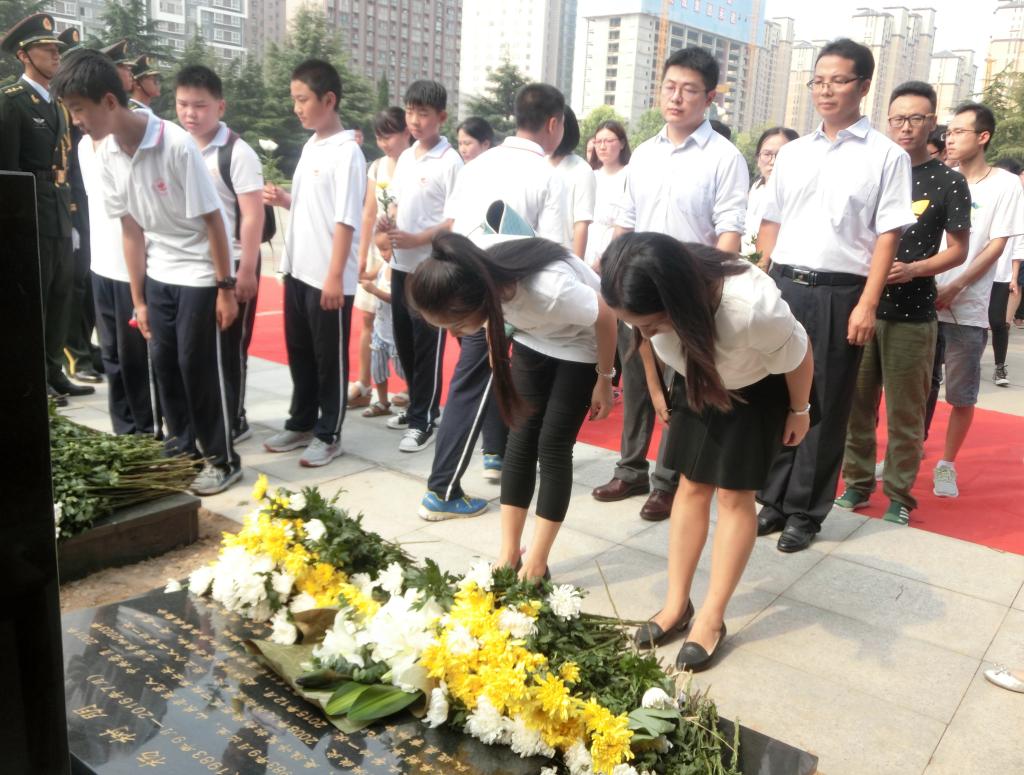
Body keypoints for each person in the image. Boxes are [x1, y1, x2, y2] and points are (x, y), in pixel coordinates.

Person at [602, 233, 812, 671]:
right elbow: (644, 340)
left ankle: (712, 620)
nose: (643, 331)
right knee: (690, 486)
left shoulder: (751, 310)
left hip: (758, 386)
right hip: (699, 376)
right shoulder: (637, 285)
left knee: (734, 496)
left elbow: (799, 355)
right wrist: (658, 390)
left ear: (678, 302)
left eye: (653, 322)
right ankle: (677, 606)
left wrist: (799, 410)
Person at [53, 49, 241, 494]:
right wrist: (139, 300)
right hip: (159, 272)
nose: (76, 120)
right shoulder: (105, 154)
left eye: (79, 109)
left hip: (198, 271)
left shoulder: (173, 144)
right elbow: (131, 230)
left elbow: (214, 220)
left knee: (198, 367)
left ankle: (222, 457)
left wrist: (225, 287)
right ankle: (182, 448)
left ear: (110, 102)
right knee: (165, 368)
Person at [754, 38, 915, 552]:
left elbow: (889, 235)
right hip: (784, 288)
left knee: (823, 404)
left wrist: (868, 303)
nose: (825, 89)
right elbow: (772, 220)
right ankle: (772, 498)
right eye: (819, 80)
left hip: (840, 293)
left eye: (838, 80)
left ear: (864, 86)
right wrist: (763, 276)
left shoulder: (886, 157)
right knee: (777, 394)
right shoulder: (795, 152)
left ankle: (805, 509)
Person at [591, 46, 749, 523]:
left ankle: (667, 480)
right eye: (670, 87)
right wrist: (612, 276)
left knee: (681, 389)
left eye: (690, 90)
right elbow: (628, 219)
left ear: (710, 97)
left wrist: (710, 296)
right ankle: (630, 467)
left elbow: (729, 232)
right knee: (636, 381)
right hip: (637, 288)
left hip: (686, 294)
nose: (677, 98)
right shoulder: (644, 153)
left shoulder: (724, 157)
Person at [408, 232, 616, 581]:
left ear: (476, 301)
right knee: (519, 439)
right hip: (533, 337)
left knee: (552, 446)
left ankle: (536, 561)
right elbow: (495, 319)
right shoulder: (469, 272)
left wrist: (605, 378)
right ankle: (509, 553)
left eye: (456, 325)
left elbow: (606, 316)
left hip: (583, 345)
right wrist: (495, 350)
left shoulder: (549, 291)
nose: (456, 335)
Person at [418, 82, 568, 521]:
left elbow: (454, 228)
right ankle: (442, 489)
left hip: (462, 290)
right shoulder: (547, 176)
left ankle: (494, 457)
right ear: (554, 123)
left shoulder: (478, 165)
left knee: (475, 384)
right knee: (475, 386)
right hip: (503, 300)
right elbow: (553, 250)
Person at [837, 82, 970, 526]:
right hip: (861, 308)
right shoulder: (867, 168)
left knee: (905, 412)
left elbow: (958, 250)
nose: (906, 127)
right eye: (898, 118)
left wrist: (914, 269)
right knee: (856, 405)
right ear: (886, 120)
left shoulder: (948, 180)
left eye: (917, 118)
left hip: (913, 315)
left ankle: (898, 494)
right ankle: (856, 483)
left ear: (933, 122)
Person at [262, 59, 366, 467]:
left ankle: (329, 432)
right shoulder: (312, 146)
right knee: (301, 353)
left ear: (329, 99)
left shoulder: (348, 154)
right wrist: (285, 200)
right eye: (294, 99)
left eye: (303, 99)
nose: (297, 108)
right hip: (299, 270)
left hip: (327, 275)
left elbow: (345, 219)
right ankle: (301, 421)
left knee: (329, 361)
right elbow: (315, 206)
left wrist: (335, 277)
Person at [929, 103, 1024, 498]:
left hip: (968, 307)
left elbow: (995, 245)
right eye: (948, 132)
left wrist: (957, 286)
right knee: (919, 388)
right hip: (924, 300)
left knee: (961, 393)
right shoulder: (942, 178)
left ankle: (946, 464)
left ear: (982, 136)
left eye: (958, 132)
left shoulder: (1004, 185)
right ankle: (906, 454)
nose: (949, 139)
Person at [0, 13, 88, 407]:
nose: (55, 55)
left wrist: (70, 216)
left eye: (57, 50)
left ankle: (54, 371)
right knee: (32, 301)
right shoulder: (12, 103)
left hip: (56, 212)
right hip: (27, 215)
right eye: (46, 49)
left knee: (59, 295)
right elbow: (7, 172)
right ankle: (34, 376)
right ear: (24, 55)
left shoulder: (58, 106)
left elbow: (65, 167)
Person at [174, 65, 265, 443]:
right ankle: (206, 419)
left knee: (230, 349)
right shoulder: (176, 145)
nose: (190, 114)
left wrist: (245, 271)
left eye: (200, 105)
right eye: (182, 104)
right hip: (191, 267)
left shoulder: (236, 153)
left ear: (220, 107)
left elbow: (252, 215)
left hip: (233, 265)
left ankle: (235, 416)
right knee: (196, 352)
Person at [383, 80, 463, 453]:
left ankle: (424, 419)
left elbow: (454, 221)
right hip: (402, 265)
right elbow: (397, 204)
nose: (414, 120)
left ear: (441, 117)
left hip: (431, 268)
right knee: (405, 342)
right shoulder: (408, 155)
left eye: (423, 113)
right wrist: (389, 226)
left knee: (427, 345)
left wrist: (418, 239)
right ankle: (418, 405)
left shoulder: (450, 162)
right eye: (410, 112)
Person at [349, 107, 412, 411]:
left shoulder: (415, 164)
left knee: (407, 323)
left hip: (406, 250)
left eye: (391, 134)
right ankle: (364, 383)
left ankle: (414, 387)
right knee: (368, 318)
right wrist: (361, 256)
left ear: (406, 133)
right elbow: (368, 212)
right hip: (378, 249)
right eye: (380, 135)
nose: (385, 142)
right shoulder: (376, 167)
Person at [57, 26, 104, 387]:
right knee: (72, 284)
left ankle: (85, 350)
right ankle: (74, 353)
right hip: (65, 205)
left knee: (86, 282)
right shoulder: (61, 108)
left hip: (88, 203)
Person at [742, 127, 798, 260]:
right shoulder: (755, 189)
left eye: (781, 155)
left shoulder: (797, 197)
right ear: (757, 157)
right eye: (767, 154)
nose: (773, 162)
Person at [990, 157, 1023, 383]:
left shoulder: (1016, 205)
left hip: (1000, 275)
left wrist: (1013, 276)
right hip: (972, 271)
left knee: (998, 321)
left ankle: (999, 366)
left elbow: (1018, 243)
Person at [359, 260, 405, 417]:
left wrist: (374, 290)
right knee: (377, 368)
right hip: (380, 330)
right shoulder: (381, 264)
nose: (384, 254)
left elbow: (397, 299)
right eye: (380, 249)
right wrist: (358, 269)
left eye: (386, 249)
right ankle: (383, 401)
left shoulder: (403, 269)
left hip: (396, 333)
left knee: (403, 369)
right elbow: (365, 275)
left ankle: (415, 395)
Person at [549, 106, 595, 259]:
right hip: (534, 254)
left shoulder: (581, 170)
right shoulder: (538, 163)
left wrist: (577, 267)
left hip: (563, 256)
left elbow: (581, 223)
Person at [584, 119, 630, 268]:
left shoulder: (630, 175)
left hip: (616, 249)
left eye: (609, 141)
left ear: (622, 143)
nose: (603, 147)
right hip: (588, 246)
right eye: (598, 142)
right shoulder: (590, 175)